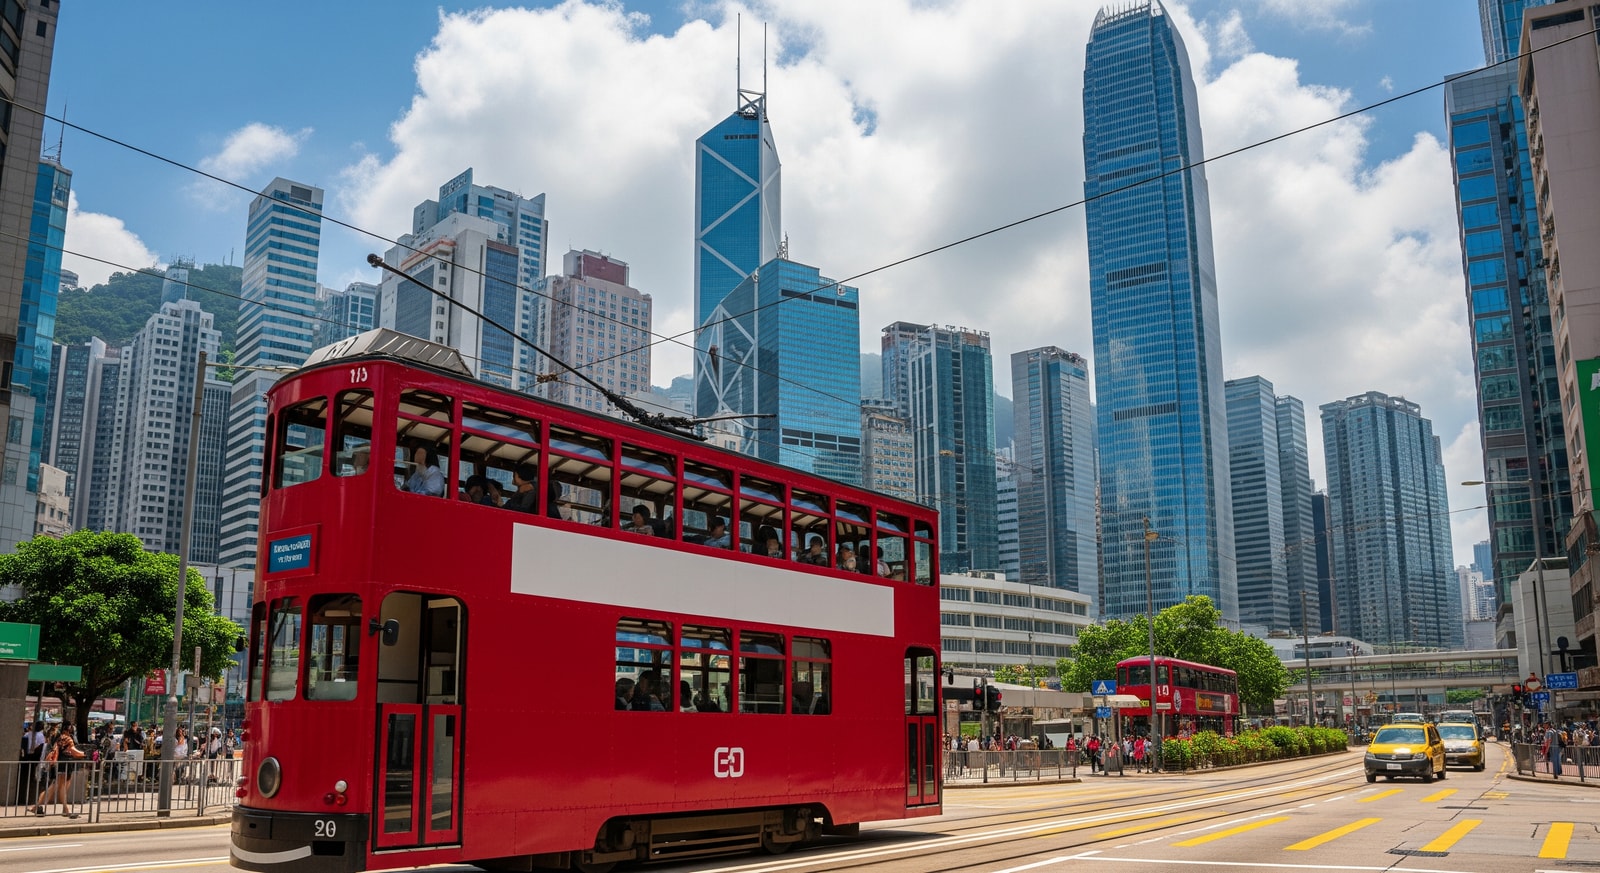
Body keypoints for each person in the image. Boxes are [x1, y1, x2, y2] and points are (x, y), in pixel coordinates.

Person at [33, 730, 85, 818]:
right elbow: (73, 750)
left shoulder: (58, 738)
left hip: (59, 764)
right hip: (64, 765)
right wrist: (83, 754)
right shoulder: (66, 738)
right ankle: (66, 810)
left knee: (54, 787)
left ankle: (37, 807)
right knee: (61, 787)